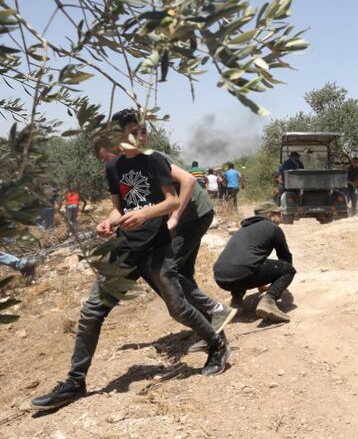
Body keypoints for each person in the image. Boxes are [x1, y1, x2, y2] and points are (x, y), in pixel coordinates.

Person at [32, 110, 231, 411]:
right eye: (135, 132)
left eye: (143, 131)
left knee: (178, 308)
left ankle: (216, 345)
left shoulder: (154, 160)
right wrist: (107, 223)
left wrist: (146, 214)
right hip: (125, 249)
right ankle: (75, 381)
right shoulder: (112, 168)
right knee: (91, 313)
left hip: (156, 248)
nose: (142, 136)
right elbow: (118, 208)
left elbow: (172, 200)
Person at [92, 135, 236, 354]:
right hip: (186, 217)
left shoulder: (149, 158)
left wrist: (174, 218)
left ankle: (216, 312)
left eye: (106, 157)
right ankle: (211, 329)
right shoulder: (124, 168)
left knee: (167, 272)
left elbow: (187, 180)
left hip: (193, 215)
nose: (107, 164)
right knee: (182, 274)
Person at [213, 201, 295, 323]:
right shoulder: (273, 228)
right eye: (279, 214)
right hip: (243, 271)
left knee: (240, 265)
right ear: (269, 215)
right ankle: (268, 301)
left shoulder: (242, 230)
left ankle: (236, 302)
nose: (281, 217)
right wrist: (277, 288)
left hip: (221, 278)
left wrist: (261, 284)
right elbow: (285, 258)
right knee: (288, 269)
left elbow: (253, 259)